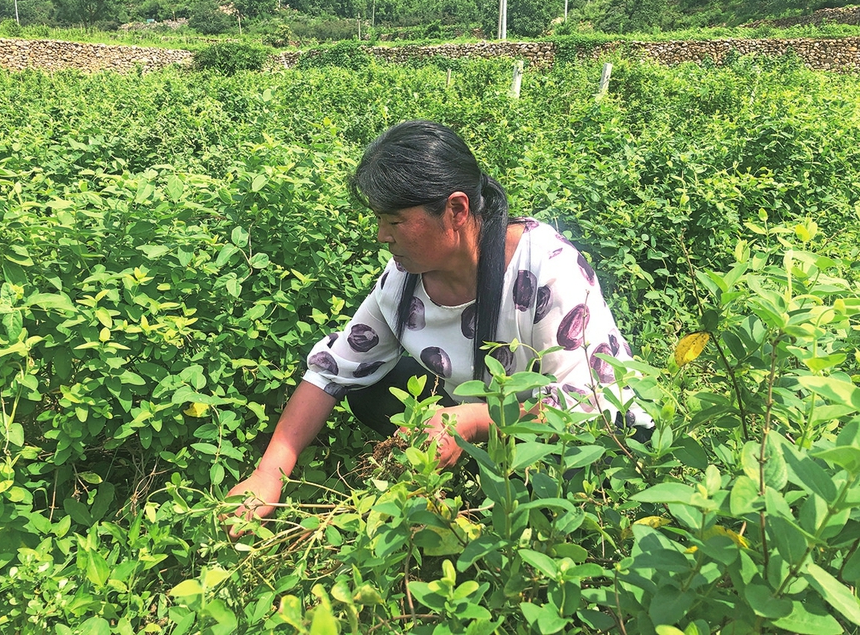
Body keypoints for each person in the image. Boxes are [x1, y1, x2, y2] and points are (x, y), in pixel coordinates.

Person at [226, 120, 653, 527]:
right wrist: (272, 470)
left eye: (394, 221)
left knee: (567, 478)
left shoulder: (546, 270)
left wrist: (471, 420)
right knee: (373, 387)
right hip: (486, 409)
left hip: (591, 439)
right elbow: (331, 369)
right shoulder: (405, 279)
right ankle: (464, 463)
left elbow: (587, 404)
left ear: (456, 210)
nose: (381, 235)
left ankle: (500, 475)